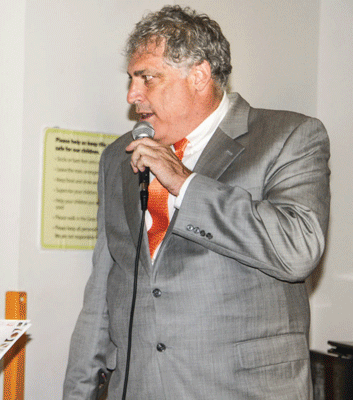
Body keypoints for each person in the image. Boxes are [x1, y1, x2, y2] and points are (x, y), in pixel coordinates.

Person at [64, 5, 330, 399]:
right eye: (131, 79)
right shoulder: (118, 158)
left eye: (147, 78)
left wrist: (185, 184)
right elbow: (104, 289)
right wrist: (78, 391)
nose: (132, 95)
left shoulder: (288, 136)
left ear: (199, 76)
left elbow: (298, 249)